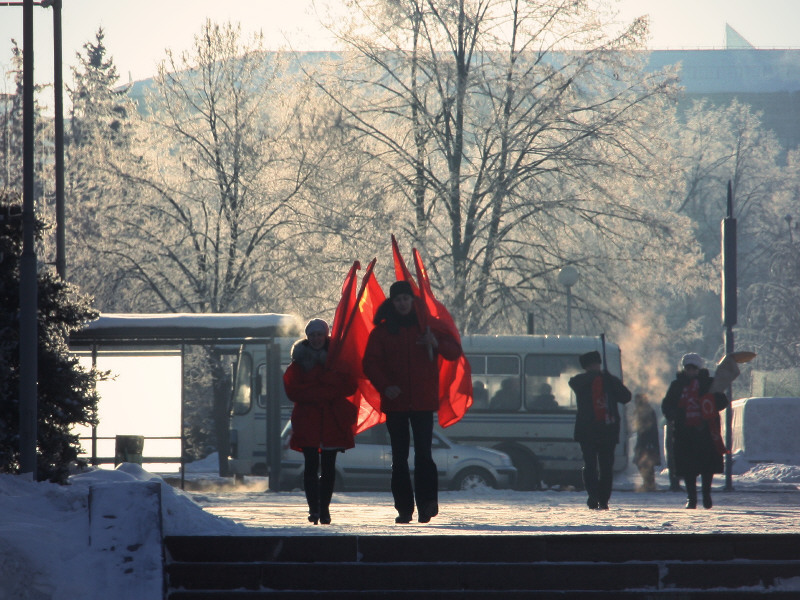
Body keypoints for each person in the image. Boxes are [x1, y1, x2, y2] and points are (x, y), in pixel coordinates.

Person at [362, 280, 463, 524]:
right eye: (398, 300)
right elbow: (370, 363)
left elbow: (454, 351)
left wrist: (435, 343)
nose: (403, 303)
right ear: (392, 303)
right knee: (399, 458)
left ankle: (427, 505)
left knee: (424, 455)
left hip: (423, 403)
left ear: (412, 300)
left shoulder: (427, 327)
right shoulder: (382, 331)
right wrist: (386, 386)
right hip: (395, 403)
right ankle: (404, 509)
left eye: (406, 299)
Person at [283, 318, 358, 525]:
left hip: (330, 421)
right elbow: (292, 390)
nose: (316, 338)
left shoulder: (338, 361)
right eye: (312, 335)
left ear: (325, 336)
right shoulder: (298, 364)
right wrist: (326, 389)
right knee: (310, 466)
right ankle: (313, 509)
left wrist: (316, 389)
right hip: (309, 421)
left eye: (319, 334)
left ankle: (323, 509)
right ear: (308, 337)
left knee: (328, 467)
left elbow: (350, 385)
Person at [661, 353, 728, 509]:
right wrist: (673, 415)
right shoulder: (677, 385)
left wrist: (712, 401)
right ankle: (691, 498)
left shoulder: (710, 384)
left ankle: (706, 495)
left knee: (706, 467)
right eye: (688, 368)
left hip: (706, 431)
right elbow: (667, 404)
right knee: (688, 468)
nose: (690, 371)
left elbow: (722, 401)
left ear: (699, 369)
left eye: (693, 368)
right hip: (685, 432)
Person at [568, 350, 632, 510]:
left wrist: (609, 379)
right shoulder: (581, 381)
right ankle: (593, 496)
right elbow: (574, 383)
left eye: (597, 364)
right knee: (590, 466)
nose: (596, 367)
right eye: (593, 365)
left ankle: (603, 499)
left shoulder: (609, 381)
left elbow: (626, 397)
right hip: (588, 431)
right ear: (587, 367)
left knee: (606, 468)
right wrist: (596, 376)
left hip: (607, 431)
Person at [631, 393, 661, 492]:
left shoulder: (646, 412)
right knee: (644, 463)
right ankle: (648, 483)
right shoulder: (644, 411)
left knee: (646, 463)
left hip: (647, 442)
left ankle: (649, 484)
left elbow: (648, 429)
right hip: (645, 441)